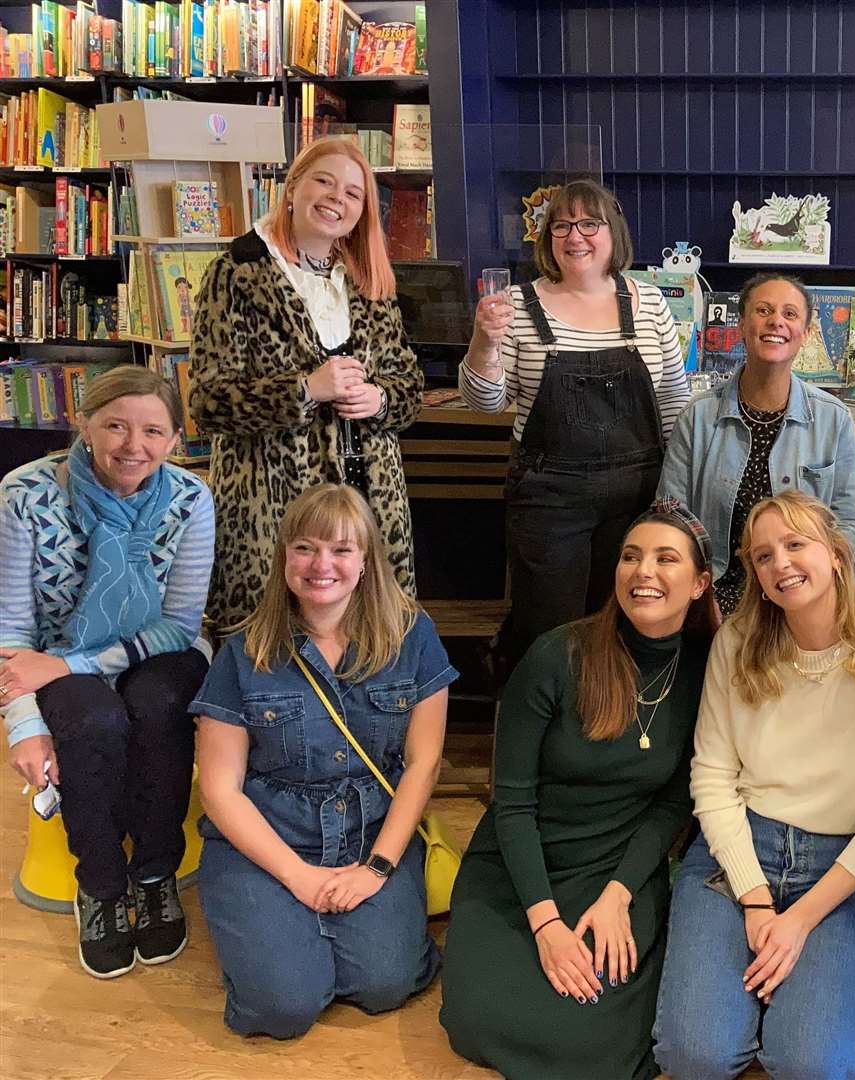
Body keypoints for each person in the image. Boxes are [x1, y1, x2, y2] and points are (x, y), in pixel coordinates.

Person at [653, 492, 855, 1080]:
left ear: (836, 553)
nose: (780, 563)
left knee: (810, 1065)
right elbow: (712, 779)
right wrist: (756, 901)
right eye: (762, 556)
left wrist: (798, 921)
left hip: (841, 864)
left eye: (795, 544)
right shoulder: (737, 644)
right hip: (735, 854)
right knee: (694, 1056)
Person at [441, 499, 718, 1080]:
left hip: (618, 865)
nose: (643, 572)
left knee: (603, 1042)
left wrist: (620, 892)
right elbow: (512, 803)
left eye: (666, 559)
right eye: (630, 557)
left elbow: (673, 801)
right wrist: (545, 924)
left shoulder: (704, 671)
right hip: (523, 865)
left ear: (699, 583)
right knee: (477, 1021)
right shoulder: (557, 655)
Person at [191, 484, 456, 1038]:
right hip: (269, 839)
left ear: (366, 561)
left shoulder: (413, 635)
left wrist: (379, 868)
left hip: (370, 833)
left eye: (341, 549)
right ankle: (283, 939)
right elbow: (220, 790)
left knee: (386, 986)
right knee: (284, 1008)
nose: (321, 565)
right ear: (284, 556)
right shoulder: (243, 650)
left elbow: (423, 762)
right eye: (305, 548)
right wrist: (299, 878)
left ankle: (327, 940)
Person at [0, 365, 214, 979]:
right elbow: (11, 635)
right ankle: (99, 883)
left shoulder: (190, 499)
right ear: (84, 424)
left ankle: (154, 872)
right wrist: (24, 726)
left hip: (152, 649)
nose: (133, 446)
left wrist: (68, 664)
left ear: (176, 438)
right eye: (115, 425)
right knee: (94, 720)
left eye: (153, 430)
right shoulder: (24, 495)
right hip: (49, 654)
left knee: (156, 706)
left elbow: (177, 626)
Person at [188, 138, 424, 631]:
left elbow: (408, 388)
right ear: (292, 187)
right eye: (325, 181)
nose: (338, 198)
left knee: (373, 642)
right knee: (269, 652)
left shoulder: (368, 280)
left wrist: (380, 398)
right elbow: (208, 402)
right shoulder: (237, 272)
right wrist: (304, 390)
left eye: (354, 193)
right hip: (271, 508)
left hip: (370, 503)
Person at [460, 179, 691, 672]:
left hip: (636, 493)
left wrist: (672, 496)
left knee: (625, 622)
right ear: (546, 238)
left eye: (590, 223)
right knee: (549, 632)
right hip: (548, 497)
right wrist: (483, 341)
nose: (575, 236)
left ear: (613, 233)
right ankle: (545, 734)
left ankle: (615, 731)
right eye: (561, 225)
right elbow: (485, 402)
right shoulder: (516, 305)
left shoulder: (649, 304)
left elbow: (672, 399)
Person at [658, 272, 855, 617]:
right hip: (715, 592)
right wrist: (697, 591)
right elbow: (671, 516)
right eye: (763, 310)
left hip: (802, 592)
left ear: (807, 332)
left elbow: (849, 521)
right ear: (741, 325)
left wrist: (813, 588)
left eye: (790, 314)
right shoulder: (697, 418)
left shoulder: (834, 419)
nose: (776, 322)